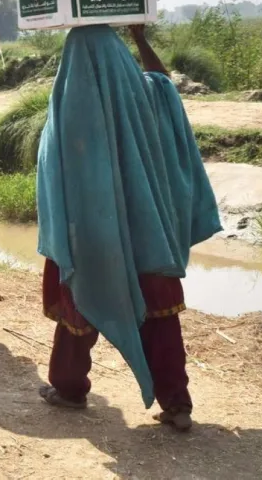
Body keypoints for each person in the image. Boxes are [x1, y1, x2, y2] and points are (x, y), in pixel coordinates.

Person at [35, 23, 221, 432]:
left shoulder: (67, 113)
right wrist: (138, 37)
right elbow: (163, 82)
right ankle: (177, 403)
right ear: (120, 58)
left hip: (91, 239)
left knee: (80, 306)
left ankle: (69, 390)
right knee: (160, 317)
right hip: (147, 234)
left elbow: (52, 183)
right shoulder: (146, 97)